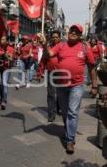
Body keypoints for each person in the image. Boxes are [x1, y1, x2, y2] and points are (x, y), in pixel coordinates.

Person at [46, 24, 97, 154]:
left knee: (72, 112)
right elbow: (50, 53)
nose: (73, 32)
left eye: (76, 31)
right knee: (64, 111)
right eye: (71, 30)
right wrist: (45, 43)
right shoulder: (61, 45)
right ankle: (69, 130)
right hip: (62, 85)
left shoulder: (85, 47)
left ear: (80, 35)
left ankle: (70, 140)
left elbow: (91, 67)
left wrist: (95, 86)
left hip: (77, 85)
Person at [40, 30, 62, 122]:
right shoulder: (48, 47)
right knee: (51, 94)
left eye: (56, 37)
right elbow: (43, 59)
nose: (55, 38)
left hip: (62, 73)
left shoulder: (63, 47)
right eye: (53, 37)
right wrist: (40, 71)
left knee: (60, 93)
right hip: (50, 72)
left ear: (60, 38)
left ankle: (58, 107)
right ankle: (51, 114)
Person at [0, 36, 15, 110]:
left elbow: (11, 59)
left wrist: (5, 55)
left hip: (6, 68)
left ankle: (4, 101)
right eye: (1, 39)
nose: (1, 40)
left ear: (7, 41)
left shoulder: (10, 49)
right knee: (0, 85)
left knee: (5, 84)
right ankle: (2, 97)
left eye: (3, 39)